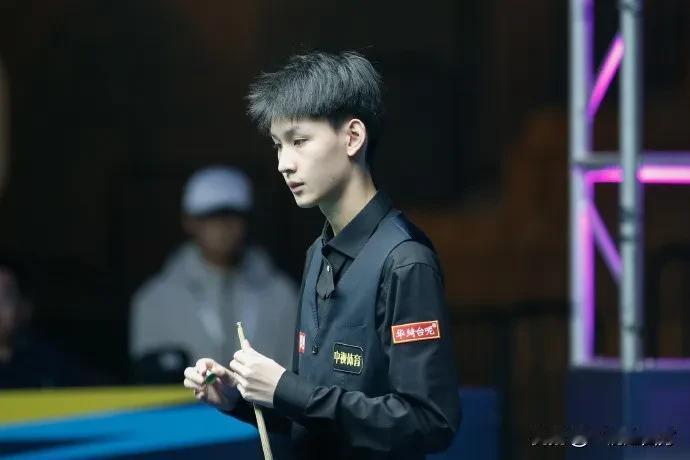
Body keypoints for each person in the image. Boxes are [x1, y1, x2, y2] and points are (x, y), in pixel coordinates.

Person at [183, 52, 461, 459]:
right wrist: (239, 400)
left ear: (352, 137)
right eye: (278, 145)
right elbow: (316, 420)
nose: (283, 163)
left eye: (299, 141)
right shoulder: (318, 253)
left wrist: (287, 389)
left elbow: (429, 422)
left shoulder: (405, 260)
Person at [130, 166, 298, 382]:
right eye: (211, 217)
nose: (223, 227)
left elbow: (295, 373)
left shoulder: (282, 294)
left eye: (233, 216)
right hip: (185, 405)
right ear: (189, 222)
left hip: (264, 404)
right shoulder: (155, 300)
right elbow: (146, 381)